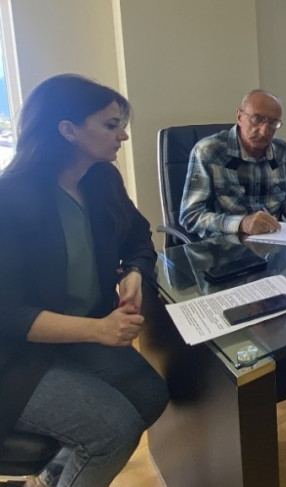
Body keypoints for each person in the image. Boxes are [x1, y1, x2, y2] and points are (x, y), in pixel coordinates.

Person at [0, 74, 169, 487]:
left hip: (79, 334)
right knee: (113, 431)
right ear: (68, 130)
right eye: (111, 125)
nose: (123, 135)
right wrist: (99, 330)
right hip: (16, 357)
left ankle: (53, 477)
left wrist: (134, 272)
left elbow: (139, 237)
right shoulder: (10, 198)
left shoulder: (101, 179)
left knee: (151, 395)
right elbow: (8, 315)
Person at [179, 89, 286, 238]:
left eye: (273, 123)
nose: (264, 131)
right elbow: (191, 216)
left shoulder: (282, 152)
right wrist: (241, 224)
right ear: (239, 117)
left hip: (276, 241)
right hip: (226, 245)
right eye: (257, 119)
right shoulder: (209, 152)